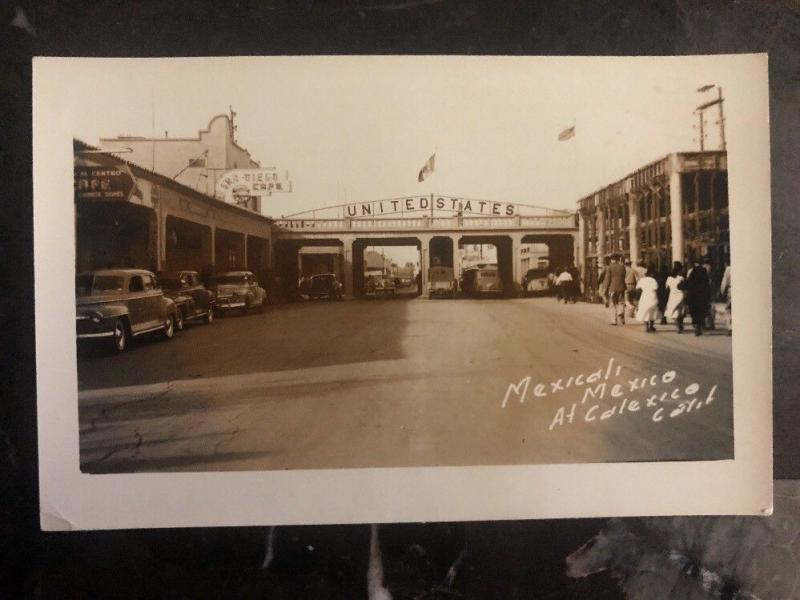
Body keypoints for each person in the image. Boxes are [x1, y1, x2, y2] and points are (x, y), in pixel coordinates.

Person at [685, 258, 711, 336]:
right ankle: (699, 325)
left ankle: (696, 325)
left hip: (693, 296)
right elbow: (707, 285)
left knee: (694, 312)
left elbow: (687, 283)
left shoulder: (692, 274)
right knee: (701, 311)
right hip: (702, 296)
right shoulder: (704, 273)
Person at [601, 254, 627, 325]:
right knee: (621, 302)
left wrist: (605, 289)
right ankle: (620, 313)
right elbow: (624, 276)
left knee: (613, 304)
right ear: (618, 259)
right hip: (621, 287)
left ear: (612, 260)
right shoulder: (622, 267)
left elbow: (607, 279)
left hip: (612, 288)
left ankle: (614, 321)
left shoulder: (609, 267)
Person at [635, 266, 660, 332]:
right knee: (653, 311)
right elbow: (656, 288)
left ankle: (646, 326)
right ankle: (651, 326)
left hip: (644, 296)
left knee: (645, 311)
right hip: (652, 295)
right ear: (651, 274)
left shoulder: (642, 280)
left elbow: (637, 288)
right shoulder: (653, 280)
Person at [665, 263, 686, 333]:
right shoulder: (681, 278)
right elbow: (684, 287)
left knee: (672, 311)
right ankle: (680, 324)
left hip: (672, 296)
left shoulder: (669, 278)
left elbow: (667, 288)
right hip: (680, 295)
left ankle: (678, 326)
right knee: (680, 311)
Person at [720, 263, 732, 335]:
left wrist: (722, 292)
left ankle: (730, 327)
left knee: (729, 310)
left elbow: (724, 282)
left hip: (731, 292)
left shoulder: (728, 269)